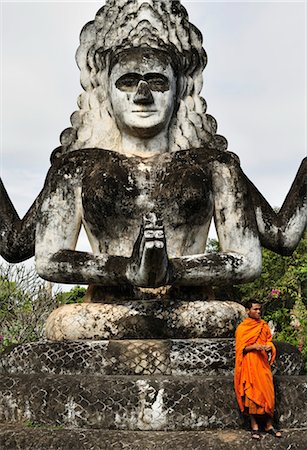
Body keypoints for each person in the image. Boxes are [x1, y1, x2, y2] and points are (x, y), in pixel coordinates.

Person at [0, 0, 306, 293]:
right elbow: (44, 256)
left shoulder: (215, 165)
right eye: (128, 82)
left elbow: (255, 254)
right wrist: (127, 270)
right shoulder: (75, 168)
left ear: (178, 91)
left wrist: (171, 271)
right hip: (103, 311)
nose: (143, 95)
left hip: (196, 313)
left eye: (158, 82)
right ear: (105, 92)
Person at [234, 300, 282, 440]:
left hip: (262, 364)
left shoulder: (263, 325)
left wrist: (269, 346)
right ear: (248, 311)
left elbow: (268, 340)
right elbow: (240, 349)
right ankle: (254, 427)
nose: (258, 312)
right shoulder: (243, 328)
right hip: (249, 364)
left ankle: (269, 425)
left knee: (268, 394)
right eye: (255, 309)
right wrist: (254, 347)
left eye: (259, 309)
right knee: (251, 396)